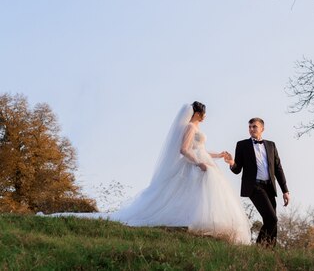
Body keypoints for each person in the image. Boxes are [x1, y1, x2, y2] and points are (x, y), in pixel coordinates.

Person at [50, 102, 251, 244]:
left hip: (203, 162)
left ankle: (210, 226)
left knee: (202, 195)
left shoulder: (196, 127)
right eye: (204, 113)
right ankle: (191, 222)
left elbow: (202, 149)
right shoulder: (190, 126)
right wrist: (198, 163)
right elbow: (184, 149)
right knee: (189, 194)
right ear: (198, 113)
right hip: (194, 165)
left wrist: (217, 156)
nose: (206, 116)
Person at [224, 117, 289, 247]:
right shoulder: (242, 145)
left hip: (269, 187)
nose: (251, 129)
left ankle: (269, 251)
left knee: (271, 221)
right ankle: (259, 248)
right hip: (254, 187)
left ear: (262, 129)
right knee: (272, 218)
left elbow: (278, 168)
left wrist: (285, 190)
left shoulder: (271, 145)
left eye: (254, 126)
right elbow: (237, 170)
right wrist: (232, 163)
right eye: (250, 127)